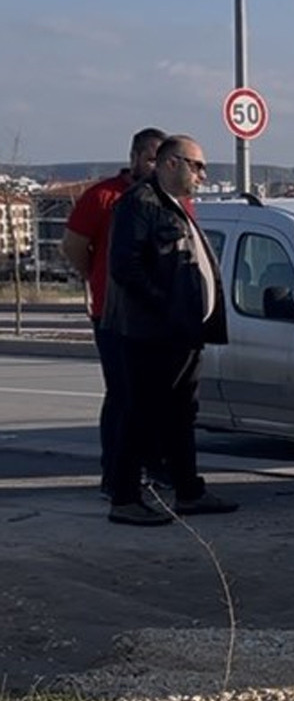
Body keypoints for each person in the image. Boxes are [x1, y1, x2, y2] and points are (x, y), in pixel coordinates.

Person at [102, 135, 238, 525]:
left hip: (182, 333)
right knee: (141, 414)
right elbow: (125, 267)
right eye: (197, 166)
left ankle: (189, 491)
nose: (202, 175)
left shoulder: (173, 205)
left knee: (180, 415)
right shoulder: (140, 204)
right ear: (171, 163)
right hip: (151, 333)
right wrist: (166, 305)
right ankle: (125, 497)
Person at [61, 127, 166, 498]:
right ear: (134, 158)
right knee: (124, 395)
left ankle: (155, 466)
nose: (156, 168)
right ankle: (117, 475)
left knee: (156, 396)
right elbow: (73, 246)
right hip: (114, 314)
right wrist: (96, 275)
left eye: (163, 161)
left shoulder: (172, 199)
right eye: (151, 159)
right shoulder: (103, 196)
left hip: (159, 313)